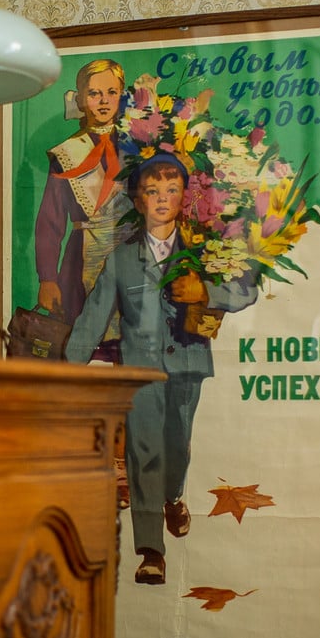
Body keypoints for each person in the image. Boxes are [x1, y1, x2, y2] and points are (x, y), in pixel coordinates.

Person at [64, 153, 259, 585]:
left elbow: (247, 291)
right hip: (140, 371)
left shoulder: (205, 251)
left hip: (187, 365)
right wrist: (66, 374)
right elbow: (92, 318)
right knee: (143, 451)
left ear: (184, 197)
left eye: (172, 191)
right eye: (152, 192)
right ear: (138, 200)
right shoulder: (121, 260)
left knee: (177, 446)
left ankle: (173, 496)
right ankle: (151, 550)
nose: (162, 199)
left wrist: (204, 290)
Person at [34, 59, 131, 358]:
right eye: (94, 93)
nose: (103, 101)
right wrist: (47, 278)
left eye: (111, 92)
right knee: (80, 346)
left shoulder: (141, 143)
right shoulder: (66, 154)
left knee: (131, 347)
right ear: (79, 98)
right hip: (81, 259)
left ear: (122, 95)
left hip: (132, 255)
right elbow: (50, 221)